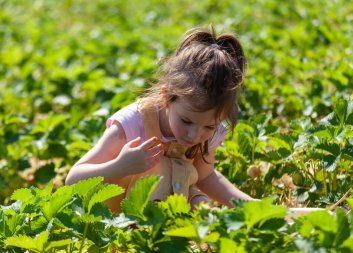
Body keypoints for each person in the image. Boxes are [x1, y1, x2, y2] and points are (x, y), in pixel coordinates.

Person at [65, 25, 254, 212]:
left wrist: (250, 206)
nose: (194, 134)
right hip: (117, 219)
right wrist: (120, 166)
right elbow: (73, 180)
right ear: (167, 97)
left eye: (209, 127)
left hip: (166, 213)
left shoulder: (208, 129)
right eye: (186, 121)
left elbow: (206, 177)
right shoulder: (133, 124)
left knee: (200, 206)